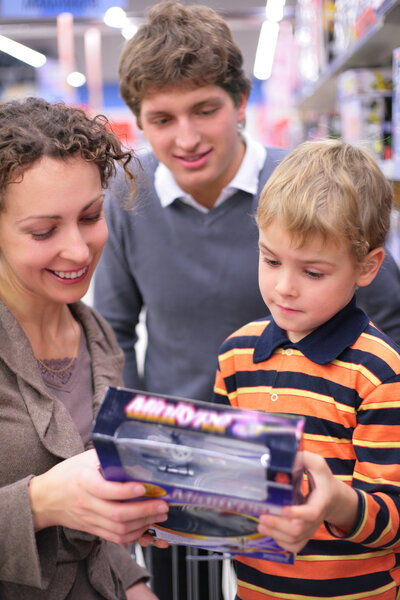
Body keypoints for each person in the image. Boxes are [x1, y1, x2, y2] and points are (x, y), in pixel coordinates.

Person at [93, 2, 400, 597]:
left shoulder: (305, 192)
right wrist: (131, 456)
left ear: (239, 101)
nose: (187, 138)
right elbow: (114, 333)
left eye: (205, 109)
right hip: (184, 470)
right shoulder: (127, 202)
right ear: (139, 121)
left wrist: (367, 432)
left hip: (323, 487)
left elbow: (389, 315)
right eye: (161, 119)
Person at [212, 138, 400, 600]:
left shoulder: (379, 373)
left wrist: (335, 501)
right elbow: (222, 477)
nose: (284, 287)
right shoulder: (236, 357)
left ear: (368, 266)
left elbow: (393, 519)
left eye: (312, 272)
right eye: (270, 260)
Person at [0, 96, 170, 600]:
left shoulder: (95, 335)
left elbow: (94, 530)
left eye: (91, 216)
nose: (78, 250)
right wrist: (38, 503)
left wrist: (136, 585)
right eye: (44, 231)